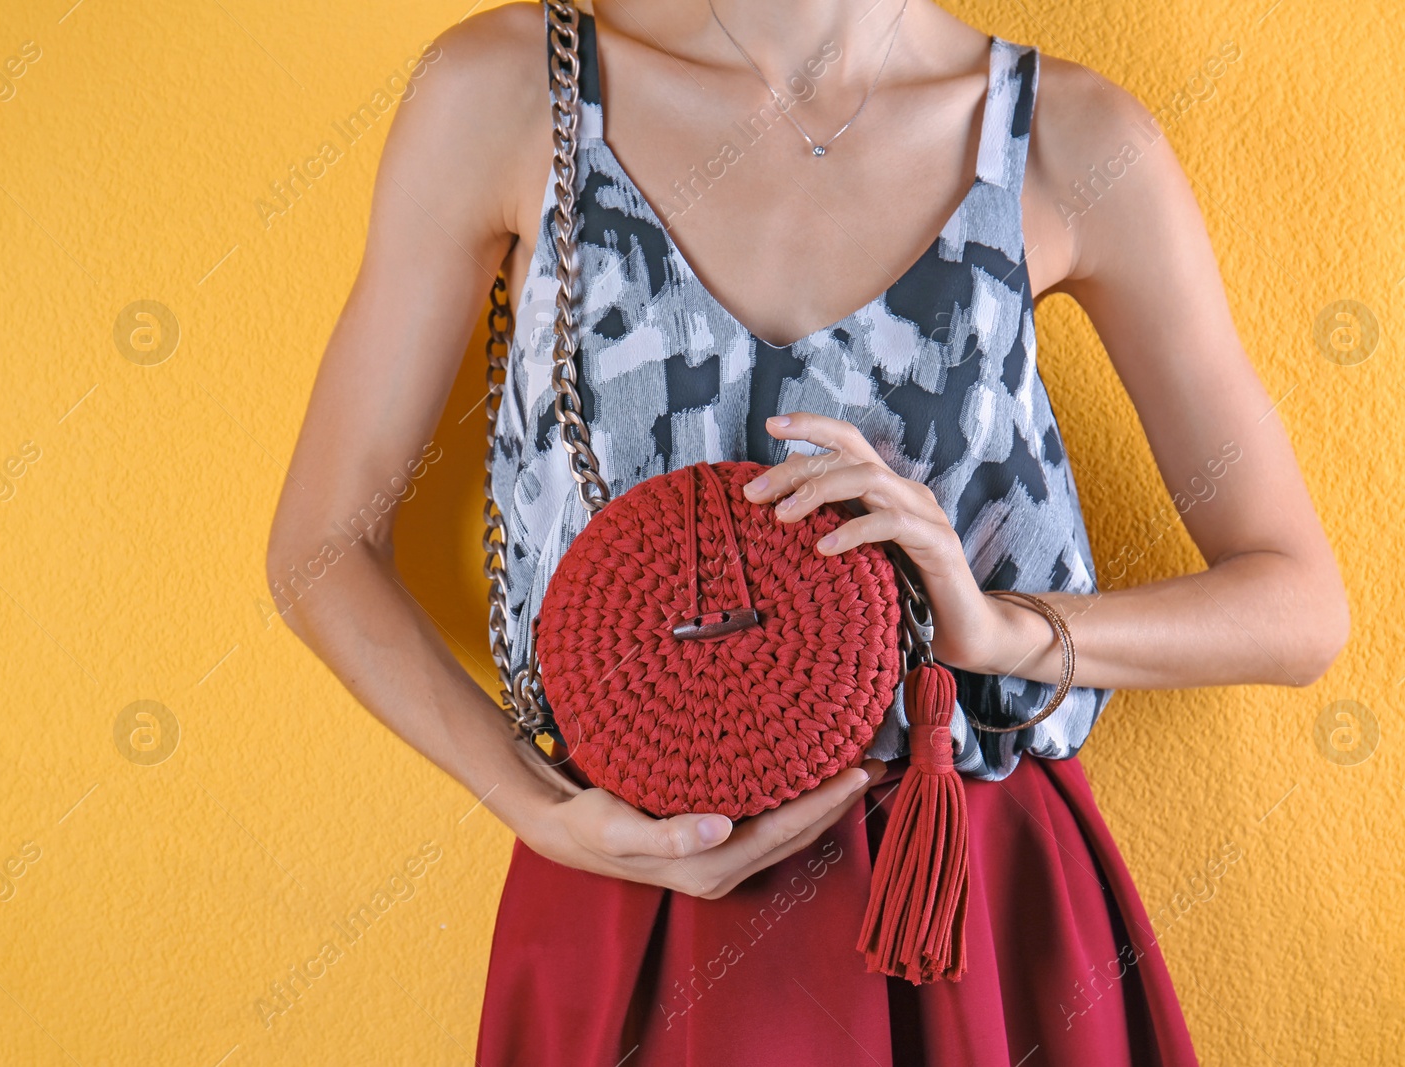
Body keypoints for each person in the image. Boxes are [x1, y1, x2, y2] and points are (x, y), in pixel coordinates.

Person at [267, 1, 1349, 1063]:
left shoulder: (1071, 138)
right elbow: (322, 549)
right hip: (635, 872)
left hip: (959, 886)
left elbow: (1295, 605)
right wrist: (539, 811)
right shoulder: (507, 87)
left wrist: (1004, 632)